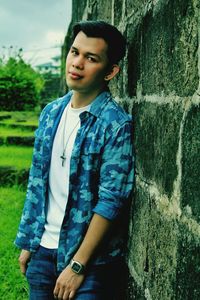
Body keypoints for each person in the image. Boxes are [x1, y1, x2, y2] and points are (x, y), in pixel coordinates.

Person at [15, 20, 134, 300]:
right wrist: (29, 242)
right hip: (42, 252)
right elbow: (37, 182)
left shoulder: (115, 124)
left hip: (89, 262)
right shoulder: (51, 113)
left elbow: (112, 200)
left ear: (111, 71)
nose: (77, 63)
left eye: (91, 58)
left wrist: (77, 266)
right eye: (74, 52)